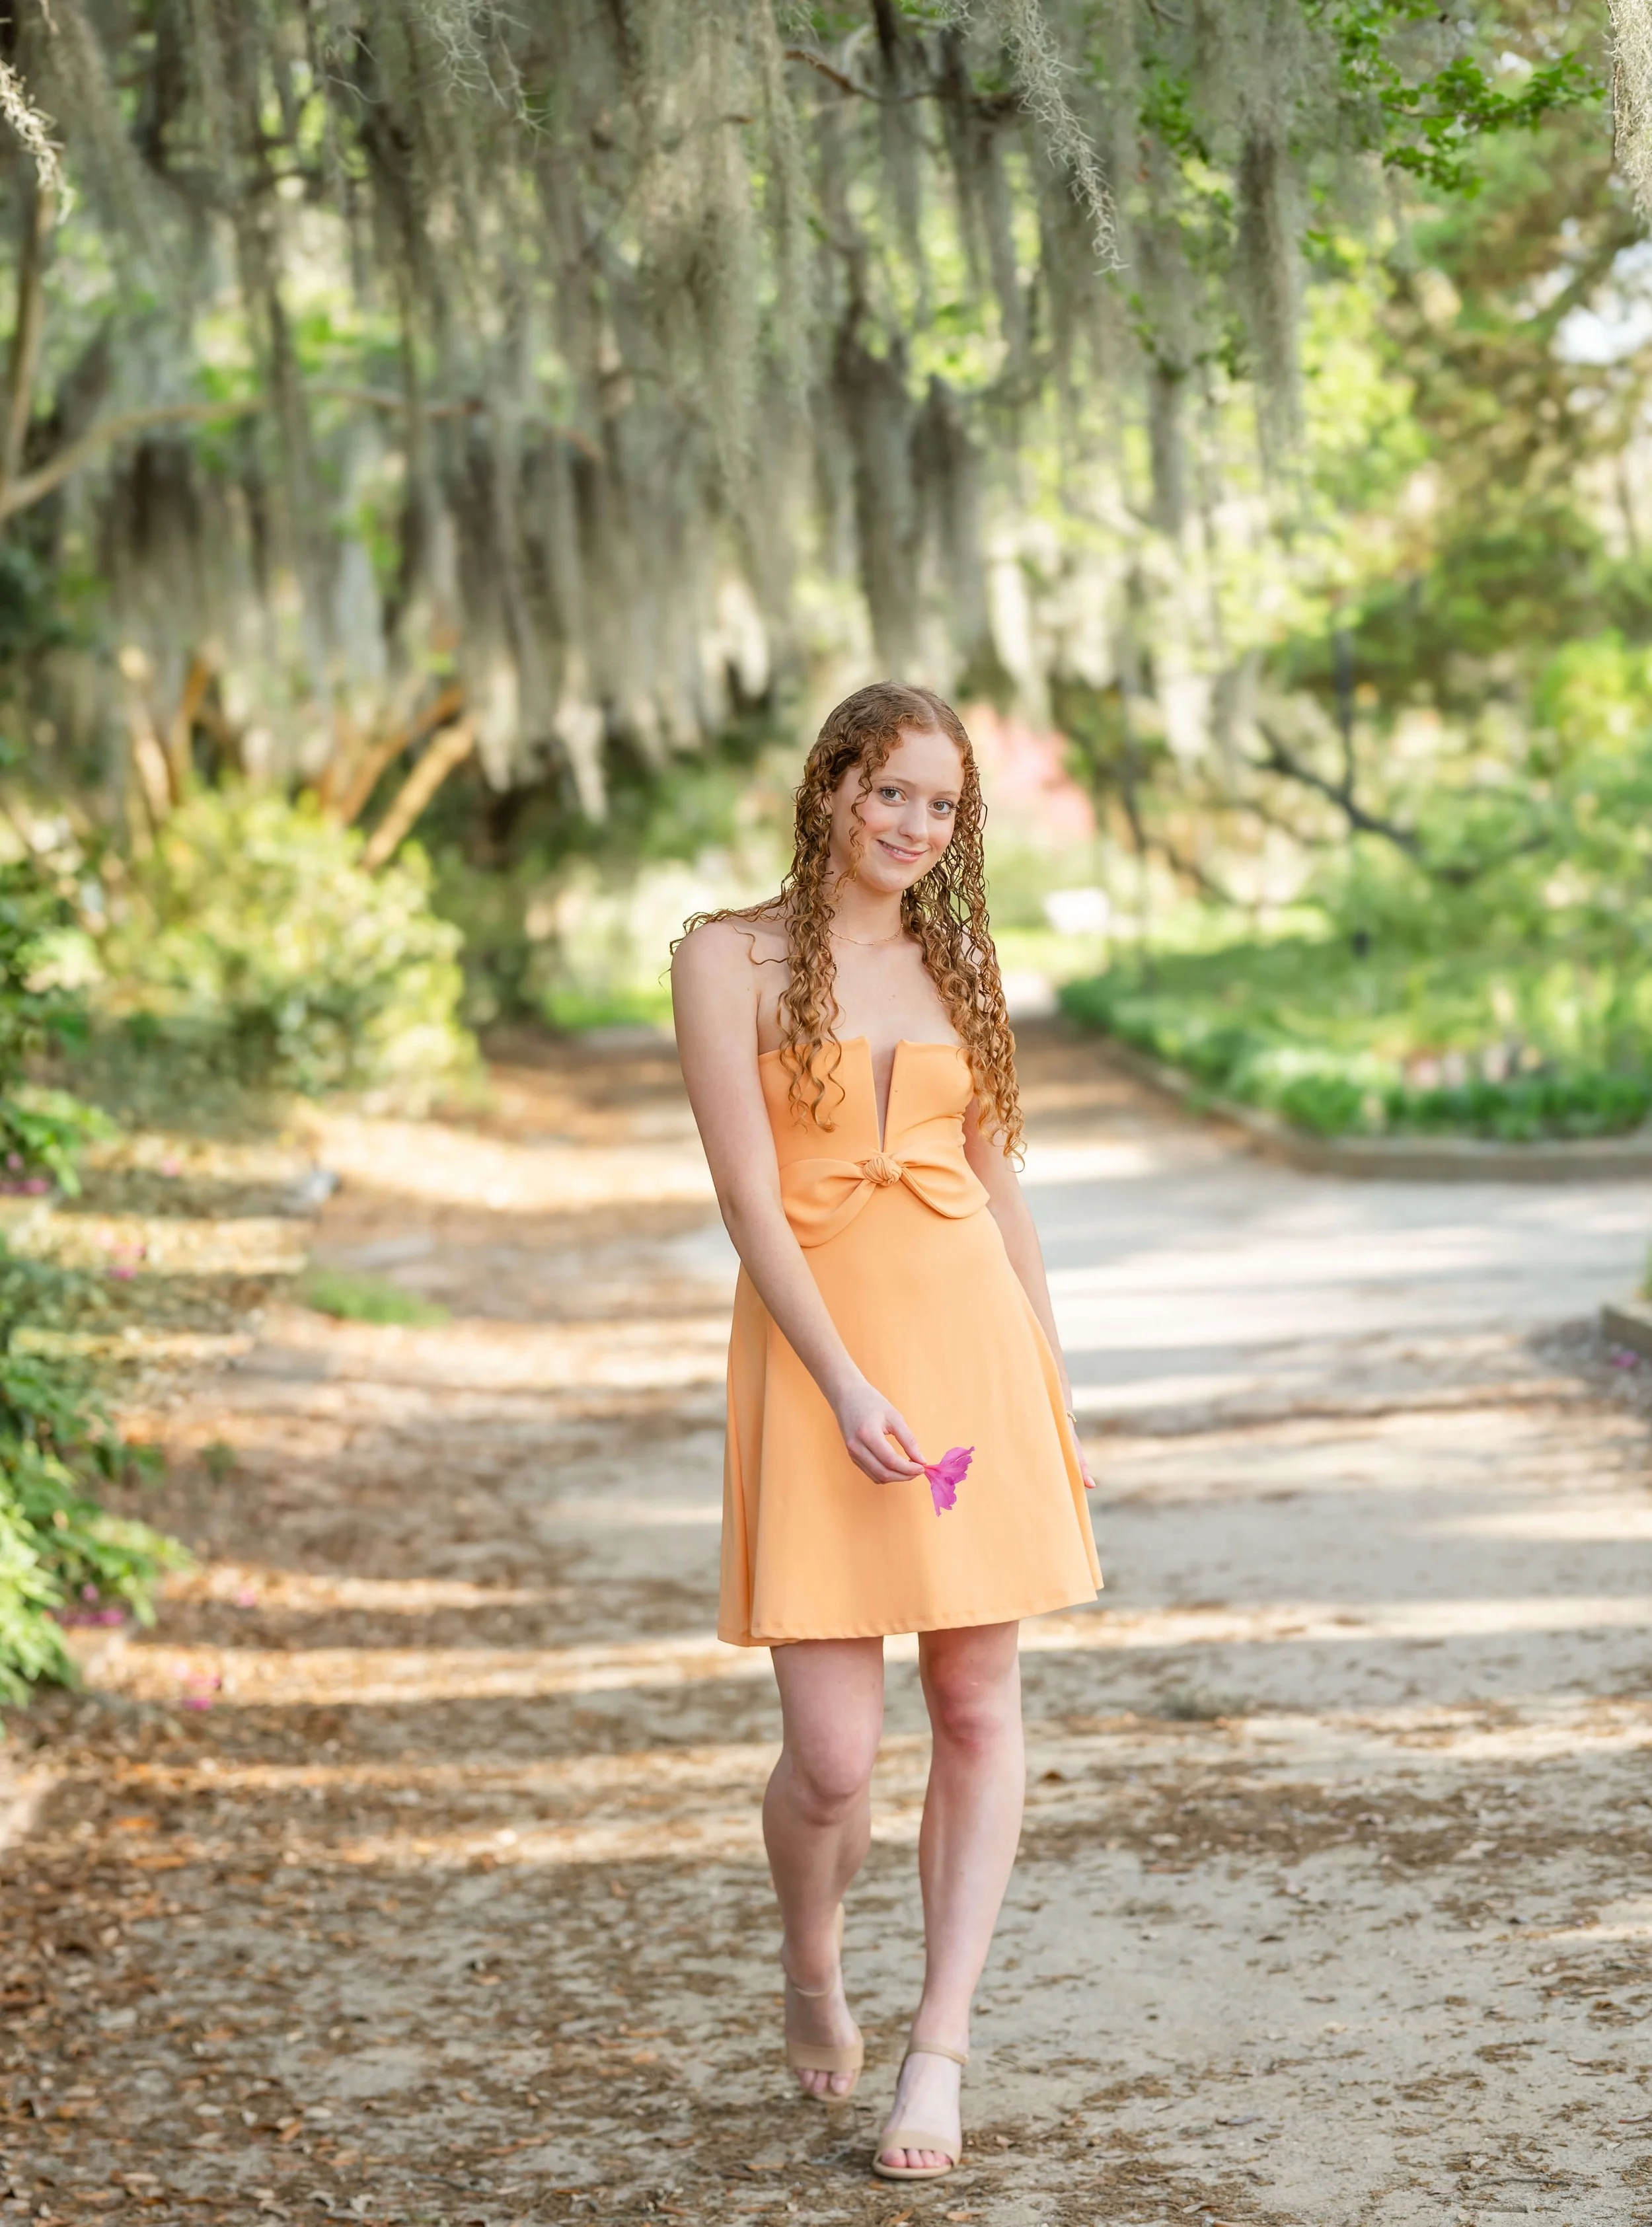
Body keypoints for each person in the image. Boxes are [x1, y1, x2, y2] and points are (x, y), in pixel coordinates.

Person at [671, 682, 1102, 2182]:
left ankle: (939, 2047)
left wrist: (1048, 1390)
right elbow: (746, 1196)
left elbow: (998, 1189)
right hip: (817, 1363)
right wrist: (843, 1380)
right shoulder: (724, 957)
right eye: (891, 789)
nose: (914, 823)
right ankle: (810, 1952)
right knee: (834, 1757)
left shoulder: (958, 962)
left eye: (941, 803)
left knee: (976, 1703)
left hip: (972, 1348)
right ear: (831, 784)